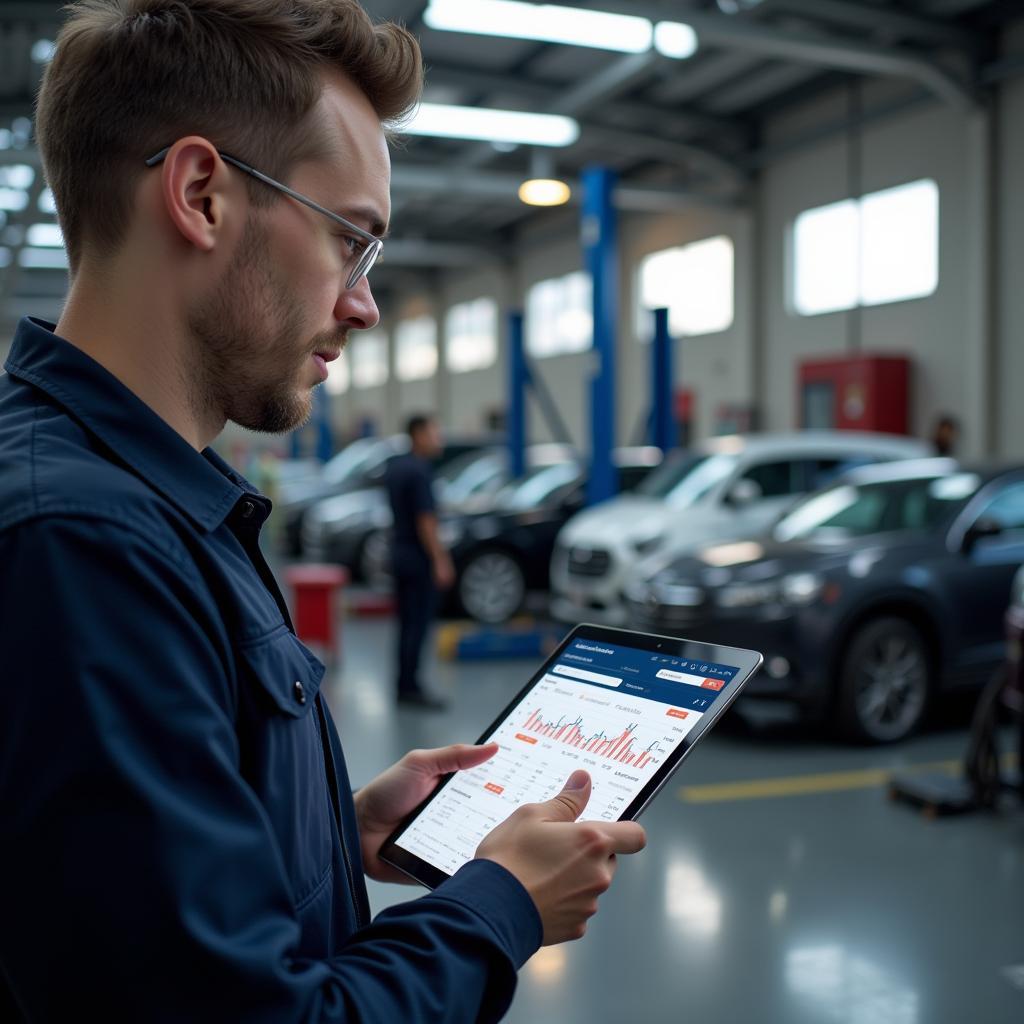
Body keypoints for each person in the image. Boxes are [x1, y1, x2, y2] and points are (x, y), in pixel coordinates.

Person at [0, 2, 647, 1020]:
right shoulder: (85, 545)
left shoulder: (143, 503)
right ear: (203, 195)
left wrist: (333, 834)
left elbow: (134, 914)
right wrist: (501, 903)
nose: (362, 302)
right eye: (353, 239)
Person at [386, 413, 453, 709]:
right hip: (417, 558)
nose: (439, 439)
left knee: (405, 625)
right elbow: (426, 520)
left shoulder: (397, 467)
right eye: (435, 432)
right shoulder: (420, 471)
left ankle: (403, 684)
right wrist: (440, 559)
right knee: (417, 625)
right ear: (419, 435)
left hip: (399, 553)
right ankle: (411, 688)